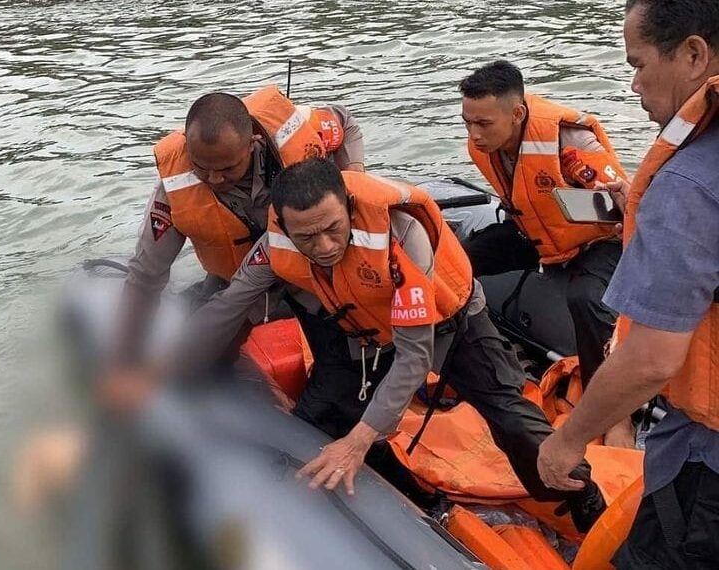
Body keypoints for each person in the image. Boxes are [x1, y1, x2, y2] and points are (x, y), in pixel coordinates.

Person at [171, 158, 607, 532]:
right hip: (368, 334)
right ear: (284, 225)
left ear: (348, 206)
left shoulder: (400, 234)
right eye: (306, 237)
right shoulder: (277, 243)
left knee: (511, 417)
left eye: (331, 230)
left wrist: (358, 440)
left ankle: (586, 501)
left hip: (450, 329)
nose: (322, 247)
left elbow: (416, 354)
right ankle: (412, 495)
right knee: (323, 416)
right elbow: (229, 305)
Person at [537, 0, 719, 567]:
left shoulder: (687, 184)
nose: (634, 84)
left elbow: (651, 359)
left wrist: (567, 441)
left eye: (638, 64)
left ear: (693, 54)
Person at [109, 86, 366, 370]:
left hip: (310, 273)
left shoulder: (291, 134)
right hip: (236, 280)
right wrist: (123, 358)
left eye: (229, 169)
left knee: (344, 372)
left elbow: (344, 121)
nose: (215, 179)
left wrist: (353, 181)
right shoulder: (175, 188)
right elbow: (147, 274)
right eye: (202, 168)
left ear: (253, 143)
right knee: (201, 365)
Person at [459, 61, 636, 447]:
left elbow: (628, 202)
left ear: (517, 113)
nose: (474, 134)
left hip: (595, 242)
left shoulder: (571, 142)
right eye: (467, 123)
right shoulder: (484, 146)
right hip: (535, 233)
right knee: (457, 261)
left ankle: (617, 417)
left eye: (483, 124)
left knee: (586, 299)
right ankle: (475, 360)